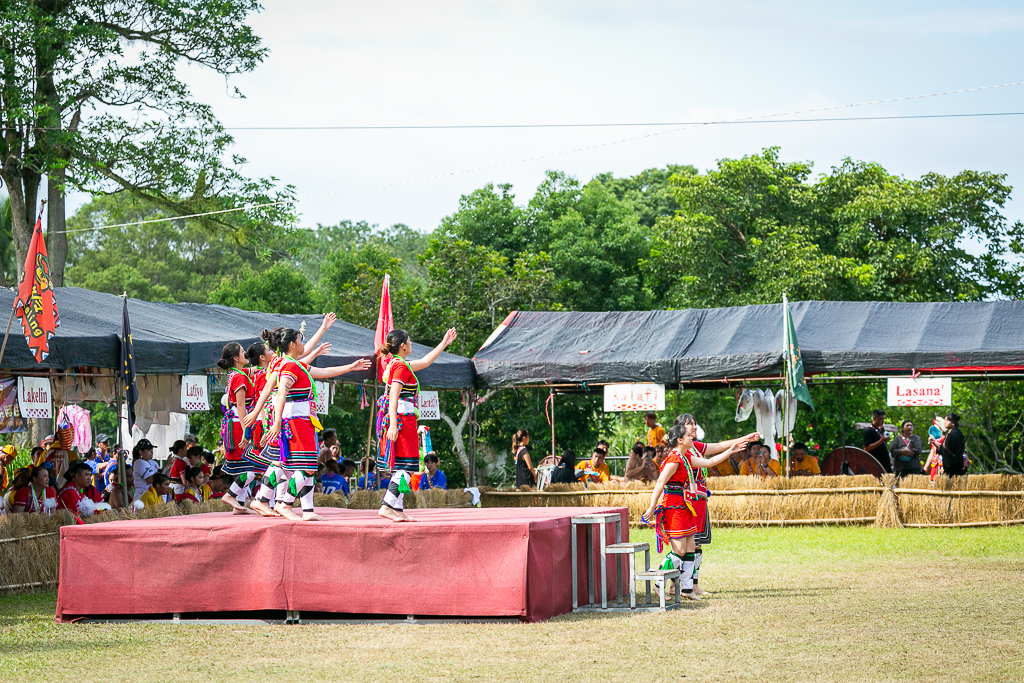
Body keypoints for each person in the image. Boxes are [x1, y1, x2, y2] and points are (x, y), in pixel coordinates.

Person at [258, 326, 371, 521]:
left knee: (306, 469)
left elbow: (324, 371)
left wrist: (351, 367)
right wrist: (275, 422)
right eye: (301, 340)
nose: (304, 344)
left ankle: (308, 510)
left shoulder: (295, 364)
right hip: (296, 422)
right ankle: (285, 504)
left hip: (302, 422)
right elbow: (281, 392)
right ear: (292, 344)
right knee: (307, 467)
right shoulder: (290, 365)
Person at [243, 322, 341, 517]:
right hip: (284, 416)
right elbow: (274, 389)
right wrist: (261, 417)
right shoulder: (283, 363)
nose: (302, 343)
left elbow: (304, 361)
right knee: (286, 464)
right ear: (288, 343)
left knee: (286, 465)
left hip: (281, 415)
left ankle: (303, 508)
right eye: (299, 340)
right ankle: (270, 500)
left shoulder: (281, 362)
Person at [643, 424, 750, 600]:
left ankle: (687, 590)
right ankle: (657, 583)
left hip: (685, 506)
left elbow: (709, 462)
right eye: (688, 435)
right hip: (673, 507)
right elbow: (660, 483)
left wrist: (731, 451)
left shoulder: (685, 457)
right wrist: (652, 506)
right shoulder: (674, 459)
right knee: (679, 551)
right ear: (680, 440)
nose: (692, 437)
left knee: (690, 548)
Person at [375, 327, 458, 523]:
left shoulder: (398, 364)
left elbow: (426, 361)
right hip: (402, 420)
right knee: (405, 467)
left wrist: (444, 342)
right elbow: (393, 396)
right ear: (403, 346)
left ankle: (397, 508)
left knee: (402, 468)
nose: (412, 343)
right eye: (410, 341)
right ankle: (387, 506)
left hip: (403, 419)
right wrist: (394, 425)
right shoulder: (401, 367)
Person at [863, 409, 893, 473]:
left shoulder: (881, 429)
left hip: (885, 462)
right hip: (875, 463)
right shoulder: (869, 431)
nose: (883, 421)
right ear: (874, 418)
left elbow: (883, 446)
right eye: (881, 419)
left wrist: (889, 459)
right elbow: (866, 448)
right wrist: (881, 441)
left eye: (883, 419)